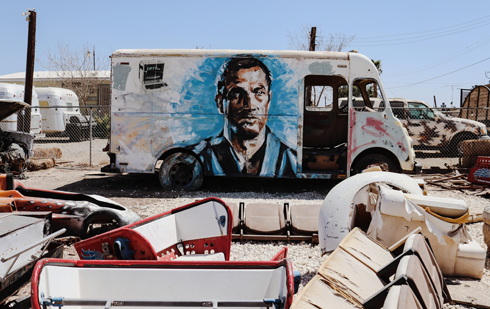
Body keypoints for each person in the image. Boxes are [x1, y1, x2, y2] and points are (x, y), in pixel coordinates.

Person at [188, 57, 297, 176]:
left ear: (269, 100)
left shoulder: (290, 160)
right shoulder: (199, 157)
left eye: (259, 92)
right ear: (220, 103)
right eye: (237, 94)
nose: (250, 105)